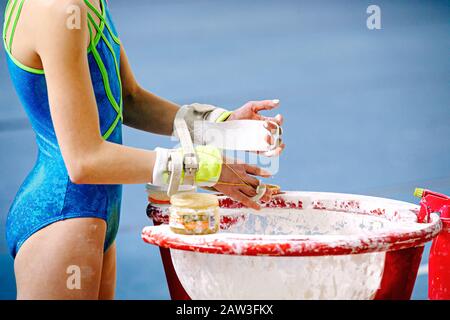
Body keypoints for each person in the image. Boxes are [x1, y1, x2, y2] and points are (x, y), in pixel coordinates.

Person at [3, 0, 285, 299]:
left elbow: (127, 97)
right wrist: (205, 168)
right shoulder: (57, 11)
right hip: (63, 214)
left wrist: (218, 125)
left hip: (94, 212)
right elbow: (84, 161)